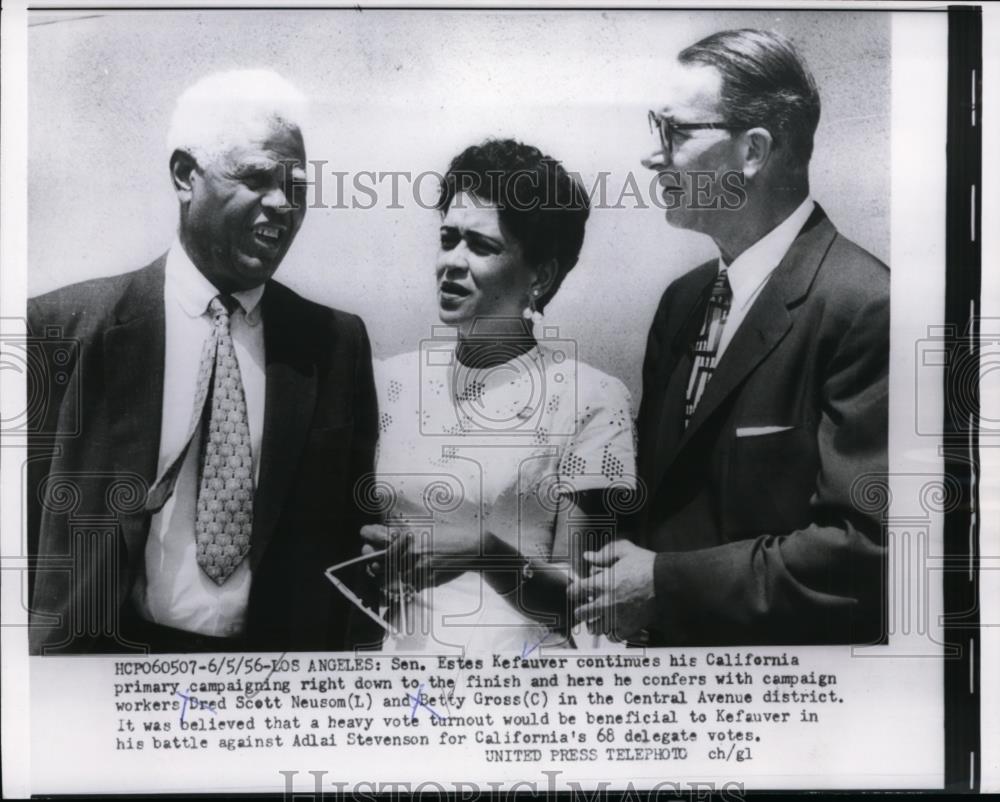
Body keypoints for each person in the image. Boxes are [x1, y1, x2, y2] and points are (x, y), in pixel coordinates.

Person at [27, 70, 378, 654]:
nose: (281, 205)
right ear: (186, 175)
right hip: (100, 671)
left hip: (274, 682)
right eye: (256, 178)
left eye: (296, 187)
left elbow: (348, 533)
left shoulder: (335, 344)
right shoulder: (59, 330)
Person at [573, 29, 889, 645]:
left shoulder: (867, 306)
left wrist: (663, 584)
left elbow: (863, 552)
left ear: (753, 152)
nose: (652, 156)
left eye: (677, 131)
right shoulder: (683, 303)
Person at [360, 139, 637, 652]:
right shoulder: (385, 382)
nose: (452, 262)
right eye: (448, 239)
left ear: (542, 275)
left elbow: (584, 603)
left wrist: (483, 552)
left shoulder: (592, 399)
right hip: (401, 678)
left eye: (481, 246)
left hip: (523, 688)